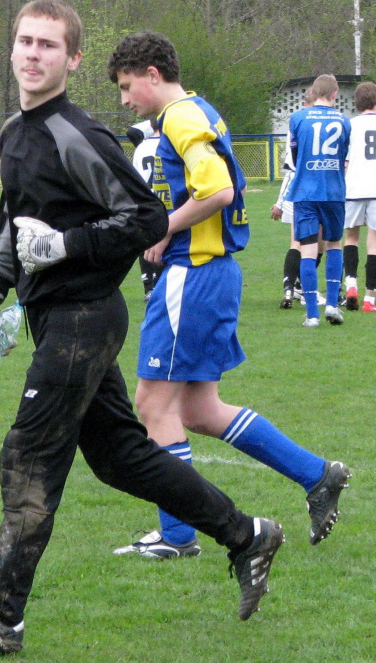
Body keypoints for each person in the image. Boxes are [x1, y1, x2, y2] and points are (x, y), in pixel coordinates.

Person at [0, 0, 286, 653]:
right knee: (121, 457)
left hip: (83, 320)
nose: (33, 54)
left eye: (48, 46)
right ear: (12, 50)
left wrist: (65, 247)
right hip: (52, 318)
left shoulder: (78, 135)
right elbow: (16, 224)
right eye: (25, 42)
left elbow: (146, 220)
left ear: (73, 59)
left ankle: (3, 618)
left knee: (28, 456)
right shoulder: (14, 133)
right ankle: (248, 535)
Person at [107, 32, 351, 560]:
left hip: (191, 273)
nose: (125, 100)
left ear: (152, 74)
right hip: (214, 274)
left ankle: (176, 535)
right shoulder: (198, 110)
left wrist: (163, 228)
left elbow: (216, 189)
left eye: (128, 87)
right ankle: (318, 474)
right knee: (197, 408)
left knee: (151, 404)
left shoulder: (177, 116)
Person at [284, 74, 351, 327]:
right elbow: (343, 155)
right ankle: (332, 305)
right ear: (334, 94)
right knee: (334, 245)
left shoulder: (298, 118)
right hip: (333, 191)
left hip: (306, 192)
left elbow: (295, 155)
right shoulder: (344, 121)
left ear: (312, 93)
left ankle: (312, 314)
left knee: (309, 249)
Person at [271, 88, 326, 309]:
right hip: (313, 189)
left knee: (298, 242)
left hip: (296, 189)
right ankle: (303, 289)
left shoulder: (295, 122)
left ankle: (290, 289)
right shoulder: (311, 122)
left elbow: (289, 168)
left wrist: (281, 200)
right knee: (317, 244)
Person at [342, 81, 376, 312]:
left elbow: (344, 161)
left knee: (351, 238)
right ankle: (369, 299)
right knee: (373, 245)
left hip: (353, 188)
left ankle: (351, 285)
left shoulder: (349, 125)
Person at [129, 117, 163, 301]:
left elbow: (132, 130)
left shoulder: (141, 146)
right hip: (164, 198)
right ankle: (160, 283)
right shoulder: (170, 144)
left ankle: (149, 286)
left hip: (144, 199)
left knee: (146, 243)